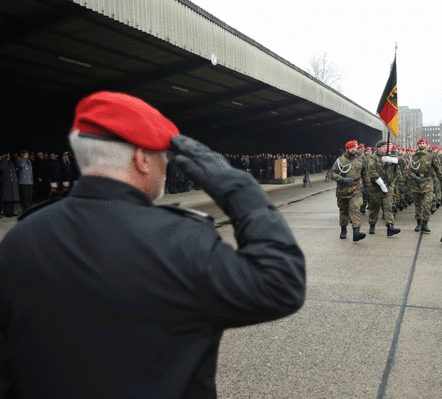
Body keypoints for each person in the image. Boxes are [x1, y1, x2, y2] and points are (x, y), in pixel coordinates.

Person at [0, 91, 306, 398]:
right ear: (142, 159)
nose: (165, 166)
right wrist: (238, 187)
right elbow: (281, 283)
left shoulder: (20, 239)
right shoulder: (183, 241)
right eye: (163, 156)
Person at [330, 140, 368, 241]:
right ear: (347, 149)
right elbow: (332, 174)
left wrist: (367, 188)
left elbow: (365, 174)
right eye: (351, 148)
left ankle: (356, 232)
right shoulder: (340, 160)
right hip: (343, 189)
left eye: (355, 148)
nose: (354, 150)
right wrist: (342, 179)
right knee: (343, 211)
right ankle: (343, 230)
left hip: (356, 188)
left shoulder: (360, 160)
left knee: (356, 208)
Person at [408, 138, 442, 233]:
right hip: (416, 184)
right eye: (420, 143)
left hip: (427, 183)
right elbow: (408, 171)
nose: (422, 144)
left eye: (423, 143)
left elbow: (437, 169)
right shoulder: (413, 157)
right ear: (418, 145)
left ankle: (425, 224)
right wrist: (414, 177)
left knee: (427, 205)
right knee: (418, 206)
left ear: (426, 145)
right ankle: (419, 224)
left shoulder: (431, 157)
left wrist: (439, 181)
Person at [367, 140, 401, 236]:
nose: (385, 148)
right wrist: (381, 184)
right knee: (374, 208)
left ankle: (390, 227)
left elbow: (401, 163)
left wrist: (392, 160)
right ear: (378, 148)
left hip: (388, 187)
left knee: (388, 208)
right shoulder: (373, 158)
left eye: (386, 146)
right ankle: (372, 225)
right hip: (376, 188)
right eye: (382, 147)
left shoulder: (390, 157)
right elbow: (371, 172)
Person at [0, 153, 20, 217]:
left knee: (12, 199)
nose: (8, 158)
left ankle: (11, 211)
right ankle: (7, 212)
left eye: (8, 156)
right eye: (6, 156)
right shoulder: (2, 162)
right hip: (6, 183)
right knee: (7, 199)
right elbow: (1, 168)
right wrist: (4, 159)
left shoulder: (10, 163)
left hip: (11, 183)